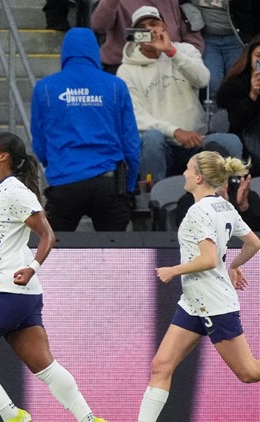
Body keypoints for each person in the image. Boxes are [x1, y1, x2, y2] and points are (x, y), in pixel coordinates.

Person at [0, 132, 106, 422]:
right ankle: (89, 419)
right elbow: (3, 246)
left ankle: (12, 416)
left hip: (10, 291)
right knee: (45, 367)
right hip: (19, 292)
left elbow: (48, 235)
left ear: (4, 156)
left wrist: (34, 266)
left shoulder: (16, 191)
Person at [137, 150, 260, 421]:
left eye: (188, 169)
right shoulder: (224, 205)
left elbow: (207, 259)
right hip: (194, 302)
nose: (183, 173)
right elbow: (254, 243)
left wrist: (173, 270)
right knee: (161, 365)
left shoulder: (198, 211)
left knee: (249, 372)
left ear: (199, 177)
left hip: (214, 301)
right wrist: (234, 265)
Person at [117, 6, 243, 183]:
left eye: (153, 24)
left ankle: (227, 199)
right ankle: (154, 200)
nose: (149, 30)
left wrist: (172, 52)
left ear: (164, 27)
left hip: (196, 142)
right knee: (151, 139)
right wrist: (175, 131)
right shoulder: (126, 70)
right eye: (142, 28)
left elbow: (203, 79)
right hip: (162, 145)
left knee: (231, 141)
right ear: (134, 35)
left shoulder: (185, 51)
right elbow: (137, 116)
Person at [32, 27, 140, 232]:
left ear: (65, 52)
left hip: (65, 182)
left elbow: (39, 143)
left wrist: (56, 164)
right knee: (114, 257)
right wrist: (129, 184)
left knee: (52, 256)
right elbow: (132, 144)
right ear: (95, 51)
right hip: (108, 183)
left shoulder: (45, 87)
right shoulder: (116, 85)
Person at [90, 0, 204, 74]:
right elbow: (98, 26)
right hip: (123, 65)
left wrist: (179, 57)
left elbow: (194, 42)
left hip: (169, 66)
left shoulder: (175, 3)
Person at [189, 0, 260, 99]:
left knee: (236, 81)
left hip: (236, 37)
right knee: (212, 83)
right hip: (208, 39)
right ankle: (215, 113)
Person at [216, 35, 260, 175]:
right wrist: (252, 95)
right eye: (258, 56)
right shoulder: (235, 84)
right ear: (250, 57)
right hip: (247, 142)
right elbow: (236, 121)